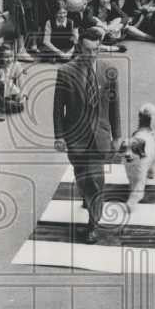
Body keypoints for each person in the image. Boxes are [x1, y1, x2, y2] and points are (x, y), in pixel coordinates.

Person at [53, 27, 122, 243]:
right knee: (82, 175)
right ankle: (87, 196)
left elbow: (114, 105)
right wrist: (59, 136)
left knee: (95, 178)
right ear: (79, 48)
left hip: (99, 136)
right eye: (87, 50)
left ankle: (94, 223)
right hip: (76, 136)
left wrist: (117, 135)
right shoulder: (65, 71)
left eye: (96, 50)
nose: (91, 54)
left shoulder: (109, 70)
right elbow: (58, 108)